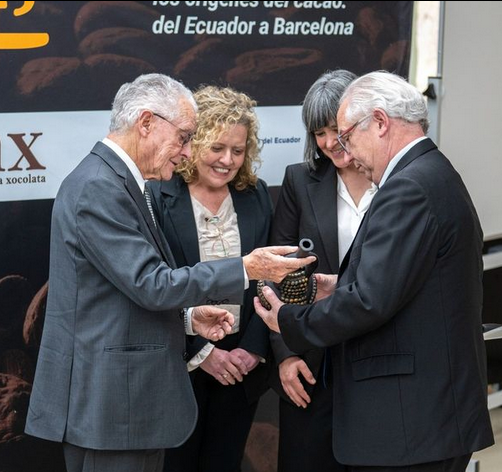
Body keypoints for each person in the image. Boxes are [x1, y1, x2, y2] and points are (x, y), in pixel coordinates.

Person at [25, 73, 314, 472]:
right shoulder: (100, 187)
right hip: (110, 405)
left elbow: (123, 292)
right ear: (146, 123)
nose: (185, 151)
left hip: (124, 404)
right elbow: (151, 284)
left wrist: (190, 316)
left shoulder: (119, 182)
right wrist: (247, 267)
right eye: (184, 137)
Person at [255, 71, 494, 471]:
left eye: (347, 136)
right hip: (428, 417)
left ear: (381, 123)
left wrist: (288, 319)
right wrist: (336, 285)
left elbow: (369, 301)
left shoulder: (407, 188)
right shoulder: (434, 172)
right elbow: (400, 283)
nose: (344, 150)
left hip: (409, 423)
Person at [147, 85, 271, 472]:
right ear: (193, 141)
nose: (227, 160)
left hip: (242, 368)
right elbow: (154, 284)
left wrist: (252, 350)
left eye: (238, 150)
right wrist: (202, 353)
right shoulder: (157, 195)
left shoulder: (256, 195)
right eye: (217, 147)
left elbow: (271, 280)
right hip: (179, 368)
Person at [268, 70, 374, 472]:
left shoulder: (397, 182)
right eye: (318, 133)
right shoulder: (300, 180)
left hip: (374, 357)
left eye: (336, 129)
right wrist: (286, 354)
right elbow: (272, 273)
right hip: (311, 364)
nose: (329, 143)